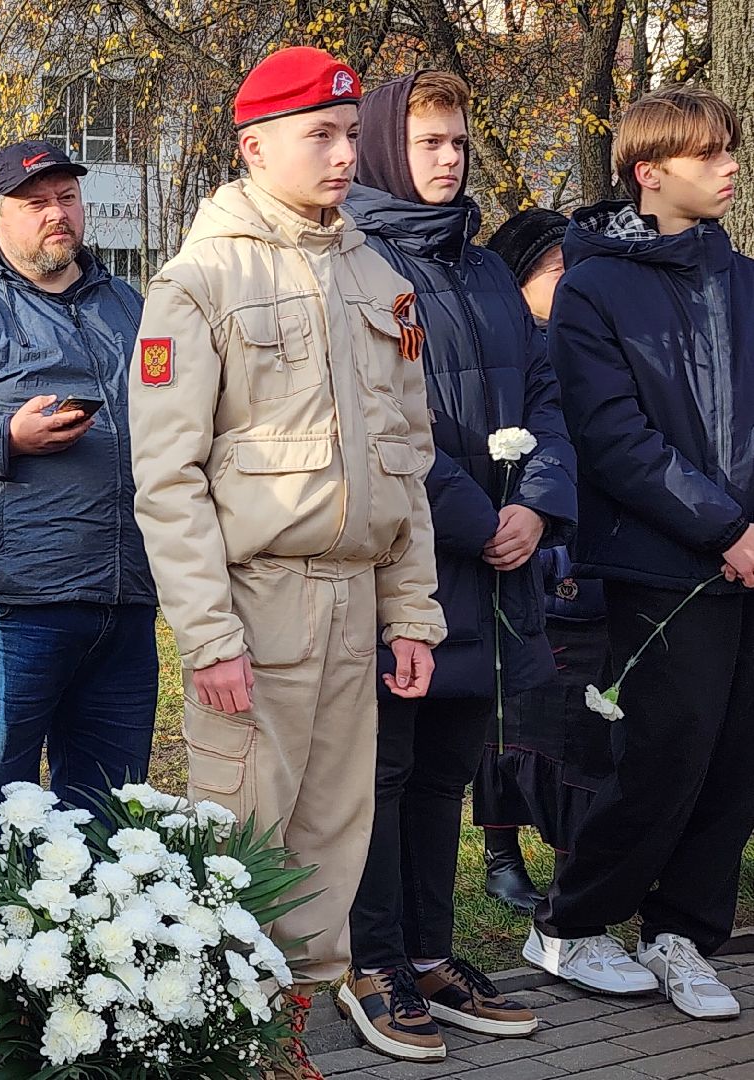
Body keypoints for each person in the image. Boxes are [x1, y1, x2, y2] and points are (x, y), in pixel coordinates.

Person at [126, 47, 445, 1076]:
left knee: (327, 846)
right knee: (240, 844)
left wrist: (412, 614)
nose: (344, 152)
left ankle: (289, 1045)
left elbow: (408, 463)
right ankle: (226, 1043)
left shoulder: (378, 277)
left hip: (354, 607)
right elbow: (166, 479)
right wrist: (208, 636)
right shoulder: (202, 278)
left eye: (351, 132)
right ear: (253, 144)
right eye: (320, 132)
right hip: (256, 611)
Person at [334, 71, 574, 1060]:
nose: (446, 159)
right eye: (428, 141)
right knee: (383, 773)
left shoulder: (480, 269)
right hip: (401, 564)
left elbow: (546, 389)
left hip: (495, 564)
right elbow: (388, 421)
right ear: (390, 147)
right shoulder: (354, 265)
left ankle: (431, 952)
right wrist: (479, 517)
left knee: (444, 775)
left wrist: (536, 502)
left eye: (459, 143)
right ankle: (373, 961)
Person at [526, 85, 754, 1022]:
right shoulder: (594, 284)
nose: (731, 166)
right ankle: (571, 924)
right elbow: (616, 440)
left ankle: (682, 935)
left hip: (748, 558)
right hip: (667, 564)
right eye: (708, 155)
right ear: (650, 173)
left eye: (731, 150)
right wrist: (727, 530)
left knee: (736, 759)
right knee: (663, 755)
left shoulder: (745, 278)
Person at [0, 138, 157, 848]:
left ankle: (91, 957)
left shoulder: (127, 307)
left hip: (126, 597)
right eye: (36, 202)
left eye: (67, 198)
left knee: (112, 810)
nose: (58, 214)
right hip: (13, 605)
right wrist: (5, 439)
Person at [474, 207, 612, 913]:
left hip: (584, 552)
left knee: (579, 724)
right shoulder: (509, 353)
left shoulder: (591, 343)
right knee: (511, 720)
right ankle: (501, 853)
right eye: (557, 272)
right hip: (519, 553)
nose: (571, 285)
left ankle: (573, 860)